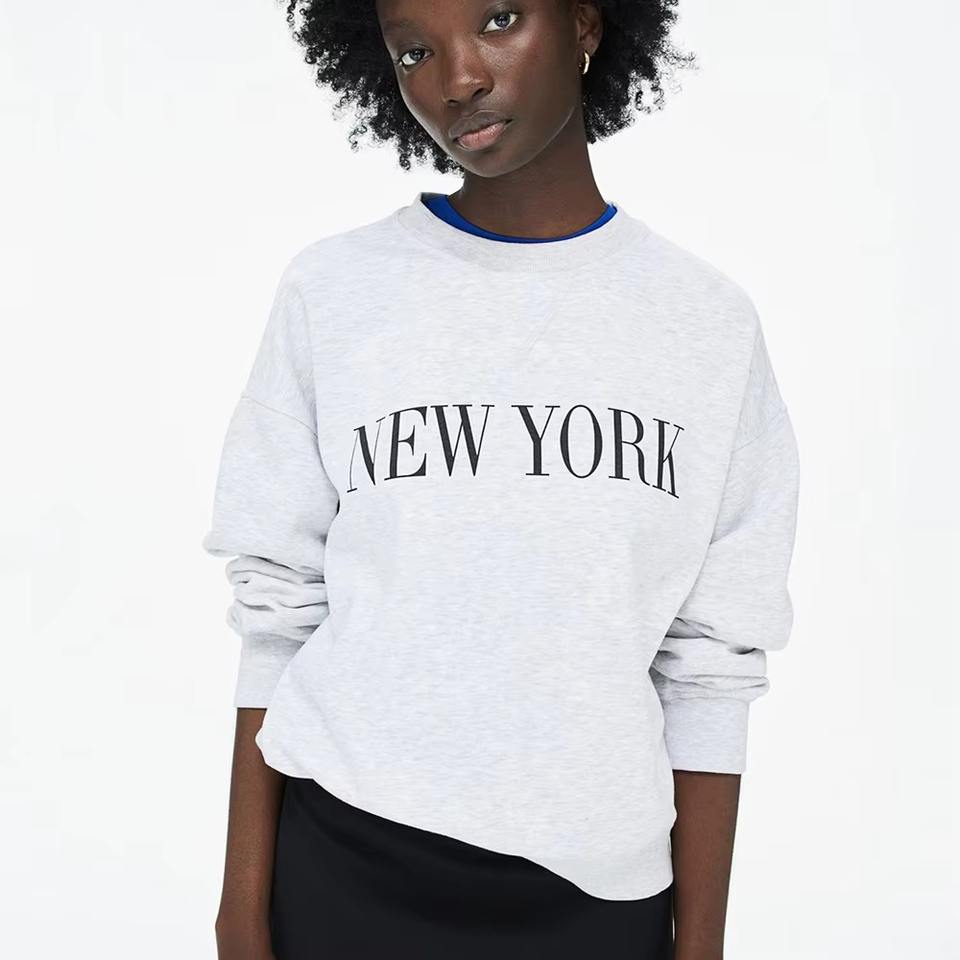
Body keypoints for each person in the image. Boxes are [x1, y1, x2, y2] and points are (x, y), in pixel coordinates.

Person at [202, 1, 801, 958]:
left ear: (587, 24)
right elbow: (279, 607)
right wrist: (240, 911)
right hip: (345, 857)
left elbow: (711, 665)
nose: (458, 79)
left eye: (499, 19)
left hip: (594, 894)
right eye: (414, 51)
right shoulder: (337, 291)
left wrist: (700, 946)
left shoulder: (705, 326)